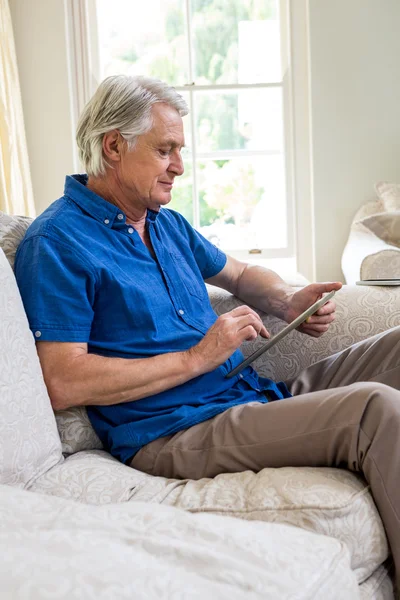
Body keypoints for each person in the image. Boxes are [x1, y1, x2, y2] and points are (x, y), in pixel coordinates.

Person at [15, 75, 400, 590]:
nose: (178, 165)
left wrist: (286, 300)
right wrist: (198, 356)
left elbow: (239, 275)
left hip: (250, 393)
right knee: (371, 410)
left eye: (179, 150)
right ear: (113, 146)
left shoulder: (164, 223)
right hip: (175, 429)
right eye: (165, 150)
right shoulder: (57, 241)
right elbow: (63, 380)